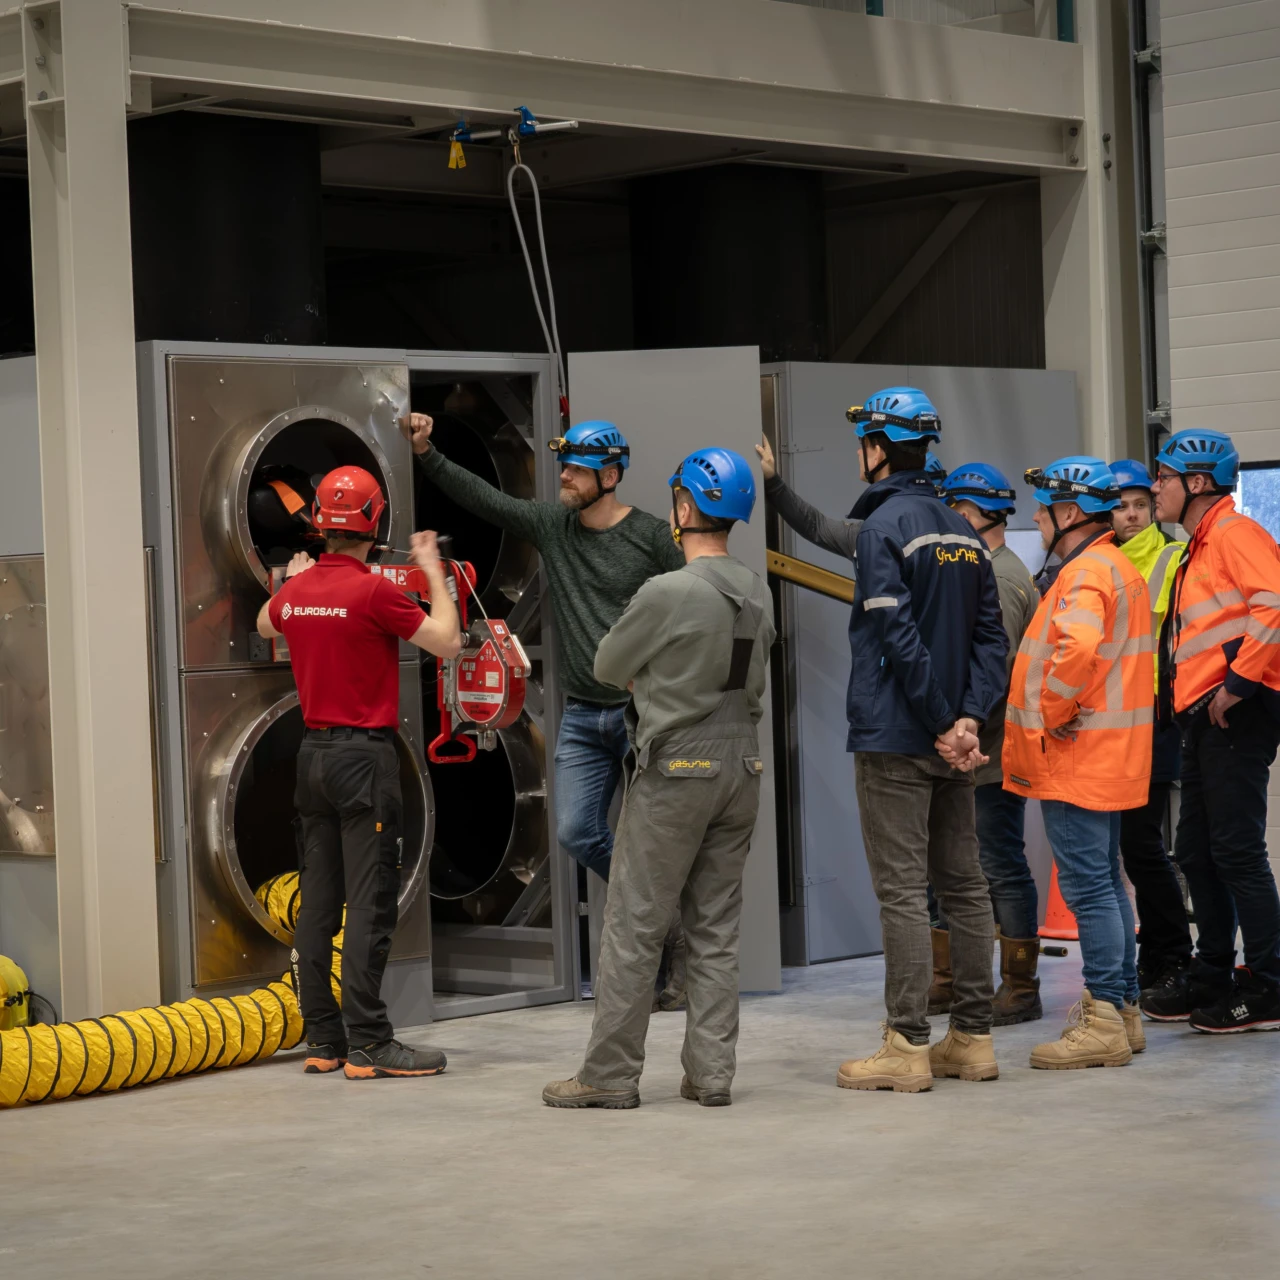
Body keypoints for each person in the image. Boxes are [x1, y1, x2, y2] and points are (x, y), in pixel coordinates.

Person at [401, 412, 689, 1006]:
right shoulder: (555, 525)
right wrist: (427, 452)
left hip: (647, 717)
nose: (564, 475)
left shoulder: (655, 537)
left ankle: (673, 955)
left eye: (577, 468)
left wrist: (670, 678)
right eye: (565, 464)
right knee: (578, 830)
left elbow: (698, 605)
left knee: (653, 841)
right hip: (586, 715)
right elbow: (485, 498)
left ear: (610, 475)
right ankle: (668, 923)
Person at [542, 448, 775, 1109]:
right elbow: (751, 678)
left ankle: (609, 1075)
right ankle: (712, 1075)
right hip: (743, 768)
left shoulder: (667, 590)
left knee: (634, 923)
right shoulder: (754, 589)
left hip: (678, 769)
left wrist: (659, 677)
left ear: (682, 508)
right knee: (716, 927)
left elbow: (610, 666)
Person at [256, 466, 461, 1079]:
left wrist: (292, 581)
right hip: (364, 761)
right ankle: (370, 1040)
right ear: (375, 524)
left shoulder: (296, 591)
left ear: (320, 522)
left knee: (319, 901)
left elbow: (268, 623)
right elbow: (448, 642)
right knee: (371, 901)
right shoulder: (374, 591)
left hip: (312, 757)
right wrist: (433, 573)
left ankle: (324, 1038)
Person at [832, 387, 1008, 1094]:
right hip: (952, 743)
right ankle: (973, 1039)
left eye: (863, 443)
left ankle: (906, 1045)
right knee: (964, 887)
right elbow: (993, 640)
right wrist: (968, 721)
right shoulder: (965, 534)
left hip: (901, 737)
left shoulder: (883, 528)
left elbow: (894, 636)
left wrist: (941, 723)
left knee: (904, 892)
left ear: (877, 449)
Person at [1001, 457, 1153, 1069]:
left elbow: (1079, 646)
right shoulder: (1116, 566)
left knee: (1090, 885)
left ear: (1068, 513)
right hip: (1108, 754)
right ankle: (1125, 1012)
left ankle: (1104, 1020)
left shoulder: (1087, 570)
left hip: (1077, 752)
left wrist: (1052, 710)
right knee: (1107, 881)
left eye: (1042, 509)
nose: (1035, 518)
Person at [1142, 429, 1280, 1032]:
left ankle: (1271, 985)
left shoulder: (1233, 532)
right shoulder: (1199, 545)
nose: (1154, 488)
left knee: (1237, 851)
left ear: (1197, 482)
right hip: (1202, 717)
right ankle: (1214, 973)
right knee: (1196, 851)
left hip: (1235, 713)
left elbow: (1274, 604)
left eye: (1163, 477)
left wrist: (1237, 684)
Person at [931, 463, 1042, 1025]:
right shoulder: (991, 568)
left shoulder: (997, 578)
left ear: (976, 516)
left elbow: (992, 671)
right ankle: (946, 980)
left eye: (955, 512)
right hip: (982, 749)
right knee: (962, 865)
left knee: (998, 864)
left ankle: (1020, 988)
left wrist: (962, 730)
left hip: (989, 754)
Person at [1108, 459, 1193, 994]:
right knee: (1126, 846)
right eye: (1122, 506)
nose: (1133, 515)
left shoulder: (1171, 557)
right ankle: (1155, 950)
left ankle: (1173, 953)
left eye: (1141, 504)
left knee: (1142, 844)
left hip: (1156, 721)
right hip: (1112, 723)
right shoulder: (1097, 561)